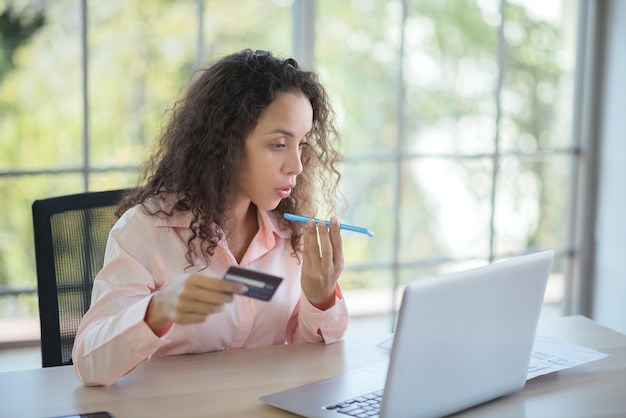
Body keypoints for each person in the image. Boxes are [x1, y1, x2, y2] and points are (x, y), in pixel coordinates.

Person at [72, 49, 348, 386]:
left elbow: (309, 354)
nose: (297, 165)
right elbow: (90, 364)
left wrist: (320, 298)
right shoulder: (145, 230)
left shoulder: (292, 233)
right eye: (279, 144)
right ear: (227, 143)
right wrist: (157, 311)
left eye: (302, 144)